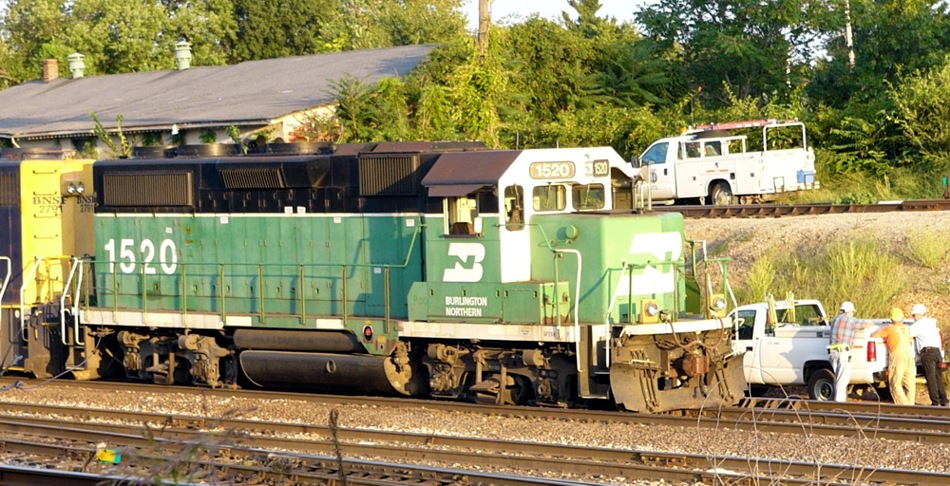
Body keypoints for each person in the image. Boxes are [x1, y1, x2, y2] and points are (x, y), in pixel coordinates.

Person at [828, 301, 872, 402]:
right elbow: (865, 324)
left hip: (832, 352)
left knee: (838, 378)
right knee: (842, 380)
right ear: (850, 311)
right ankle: (839, 403)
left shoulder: (835, 319)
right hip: (843, 353)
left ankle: (839, 400)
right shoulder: (851, 320)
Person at [872, 308, 916, 405]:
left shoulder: (890, 328)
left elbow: (875, 335)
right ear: (902, 318)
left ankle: (904, 407)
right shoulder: (907, 328)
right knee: (910, 385)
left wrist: (877, 329)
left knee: (895, 384)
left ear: (892, 319)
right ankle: (912, 407)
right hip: (910, 356)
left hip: (898, 357)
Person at [910, 303, 948, 406]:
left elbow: (908, 335)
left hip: (928, 353)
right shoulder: (931, 323)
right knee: (938, 377)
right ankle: (944, 400)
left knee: (931, 378)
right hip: (937, 352)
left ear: (918, 314)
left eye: (914, 315)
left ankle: (935, 402)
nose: (913, 317)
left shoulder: (917, 325)